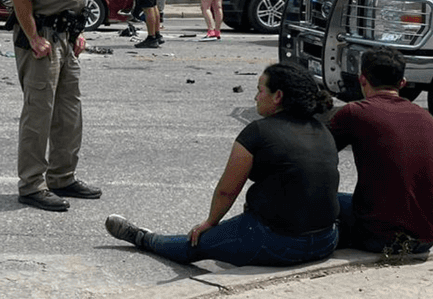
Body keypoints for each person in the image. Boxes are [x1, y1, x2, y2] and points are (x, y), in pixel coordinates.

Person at [105, 63, 339, 266]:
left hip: (278, 244)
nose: (255, 97)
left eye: (259, 91)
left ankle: (144, 238)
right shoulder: (322, 129)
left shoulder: (257, 131)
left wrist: (210, 223)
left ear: (278, 96)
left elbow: (227, 190)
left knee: (194, 244)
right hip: (326, 241)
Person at [8, 0, 101, 212]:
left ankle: (63, 176)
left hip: (65, 38)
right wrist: (33, 37)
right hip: (43, 40)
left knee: (68, 112)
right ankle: (32, 185)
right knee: (39, 114)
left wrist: (77, 33)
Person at [329, 48, 433, 255]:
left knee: (326, 198)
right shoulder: (426, 118)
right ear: (402, 82)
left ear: (362, 80)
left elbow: (317, 154)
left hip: (378, 238)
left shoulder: (355, 112)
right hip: (425, 239)